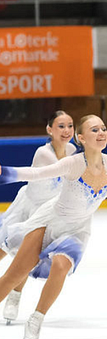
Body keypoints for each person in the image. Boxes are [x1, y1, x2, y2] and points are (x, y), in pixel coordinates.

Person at [0, 115, 107, 339]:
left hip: (77, 229)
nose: (102, 132)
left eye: (103, 128)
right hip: (49, 221)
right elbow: (37, 174)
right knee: (13, 275)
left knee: (61, 265)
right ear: (81, 138)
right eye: (94, 130)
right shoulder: (73, 163)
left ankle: (36, 318)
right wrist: (5, 172)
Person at [1, 111, 77, 325]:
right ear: (49, 129)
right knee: (4, 250)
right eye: (61, 126)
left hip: (47, 212)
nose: (66, 131)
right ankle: (13, 294)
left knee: (24, 257)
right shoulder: (43, 154)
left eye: (70, 126)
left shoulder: (72, 150)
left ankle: (14, 297)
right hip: (28, 208)